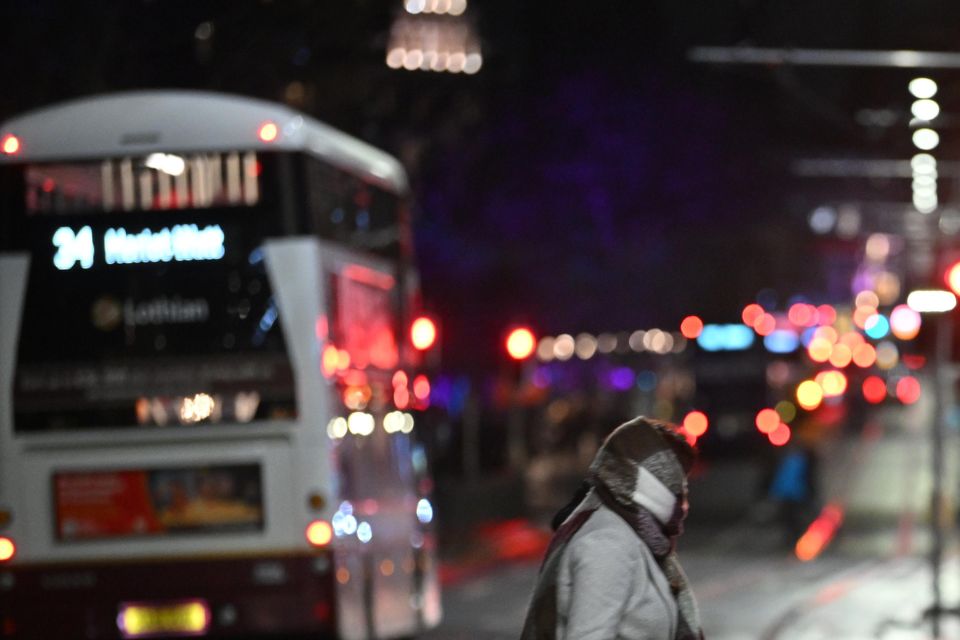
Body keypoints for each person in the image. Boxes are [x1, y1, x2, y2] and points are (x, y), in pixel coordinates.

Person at [520, 416, 703, 640]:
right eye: (679, 489)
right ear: (656, 486)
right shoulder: (608, 544)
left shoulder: (633, 537)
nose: (685, 504)